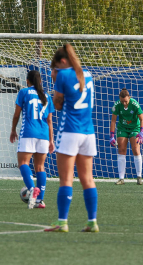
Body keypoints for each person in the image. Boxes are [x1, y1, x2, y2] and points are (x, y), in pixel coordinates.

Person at [44, 44, 98, 232]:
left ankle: (62, 222)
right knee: (88, 179)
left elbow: (57, 105)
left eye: (56, 67)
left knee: (66, 179)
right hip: (88, 132)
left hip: (69, 131)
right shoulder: (88, 74)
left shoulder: (64, 75)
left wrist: (56, 82)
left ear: (64, 61)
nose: (55, 71)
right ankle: (92, 221)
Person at [10, 70, 55, 209]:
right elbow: (49, 121)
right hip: (43, 135)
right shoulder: (46, 96)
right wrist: (51, 141)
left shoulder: (24, 92)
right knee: (40, 167)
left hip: (28, 132)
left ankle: (31, 189)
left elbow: (17, 115)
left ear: (28, 81)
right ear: (40, 81)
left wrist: (13, 130)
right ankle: (40, 200)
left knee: (23, 163)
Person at [110, 88, 143, 185]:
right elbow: (113, 121)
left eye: (125, 101)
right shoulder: (117, 105)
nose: (124, 103)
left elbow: (142, 119)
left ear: (129, 98)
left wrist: (142, 132)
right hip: (122, 128)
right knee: (121, 149)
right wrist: (112, 136)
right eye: (122, 101)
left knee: (135, 149)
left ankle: (139, 176)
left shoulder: (135, 104)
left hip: (134, 128)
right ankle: (121, 178)